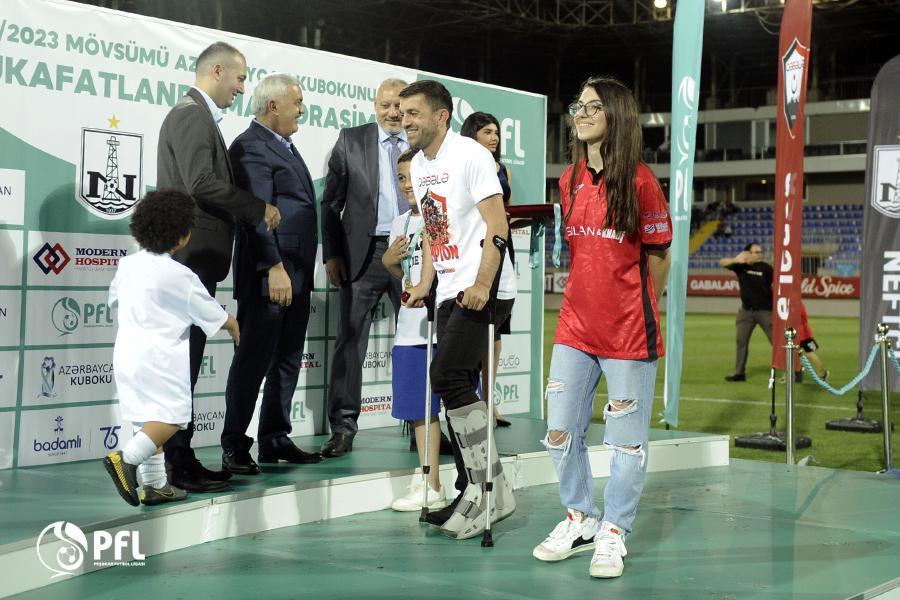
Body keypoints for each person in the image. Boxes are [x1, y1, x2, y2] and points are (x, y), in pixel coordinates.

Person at [530, 77, 671, 579]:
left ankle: (614, 530)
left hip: (629, 334)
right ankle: (580, 517)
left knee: (625, 443)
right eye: (579, 105)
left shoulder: (641, 182)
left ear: (617, 114)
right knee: (558, 432)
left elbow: (659, 257)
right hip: (574, 328)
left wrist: (636, 307)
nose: (582, 113)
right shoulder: (568, 179)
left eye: (593, 106)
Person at [156, 41, 281, 492]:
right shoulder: (192, 115)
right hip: (190, 255)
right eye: (240, 78)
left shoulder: (197, 116)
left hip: (196, 256)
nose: (241, 88)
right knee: (182, 362)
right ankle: (178, 462)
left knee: (186, 361)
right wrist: (255, 207)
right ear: (216, 71)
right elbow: (200, 182)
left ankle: (181, 457)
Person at [400, 80, 517, 540]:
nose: (405, 121)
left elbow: (497, 223)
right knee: (455, 386)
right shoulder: (421, 164)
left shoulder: (471, 155)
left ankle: (491, 488)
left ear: (441, 116)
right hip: (449, 288)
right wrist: (425, 283)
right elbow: (434, 228)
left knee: (446, 375)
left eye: (413, 113)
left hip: (483, 286)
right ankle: (474, 488)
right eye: (402, 114)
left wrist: (483, 283)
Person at [103, 190, 241, 507]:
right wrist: (233, 324)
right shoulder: (181, 275)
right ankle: (125, 458)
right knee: (172, 417)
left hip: (127, 354)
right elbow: (211, 313)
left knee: (147, 418)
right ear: (183, 236)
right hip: (161, 359)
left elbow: (114, 301)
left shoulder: (127, 265)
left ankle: (156, 486)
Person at [220, 73, 322, 475]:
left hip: (296, 273)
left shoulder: (282, 145)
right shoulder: (250, 147)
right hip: (270, 274)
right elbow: (256, 214)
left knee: (287, 359)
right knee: (253, 360)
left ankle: (275, 437)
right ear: (274, 105)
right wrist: (273, 267)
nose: (303, 109)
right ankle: (234, 444)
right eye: (297, 102)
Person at [320, 78, 409, 457]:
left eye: (399, 106)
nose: (393, 112)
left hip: (412, 251)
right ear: (374, 106)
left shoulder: (421, 142)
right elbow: (330, 203)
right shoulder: (351, 140)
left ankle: (421, 423)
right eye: (386, 105)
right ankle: (342, 428)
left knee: (418, 341)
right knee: (350, 342)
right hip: (362, 255)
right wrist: (332, 254)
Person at [382, 148, 447, 511]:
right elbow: (405, 276)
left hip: (443, 326)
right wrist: (389, 263)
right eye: (401, 178)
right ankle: (429, 480)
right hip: (410, 328)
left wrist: (424, 285)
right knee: (421, 409)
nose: (407, 184)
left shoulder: (439, 213)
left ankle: (469, 480)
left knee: (459, 407)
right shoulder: (399, 223)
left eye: (413, 176)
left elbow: (441, 262)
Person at [460, 111, 514, 428]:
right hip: (474, 249)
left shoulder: (502, 169)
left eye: (496, 132)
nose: (494, 138)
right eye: (487, 132)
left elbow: (506, 211)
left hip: (502, 247)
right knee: (477, 332)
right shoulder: (465, 164)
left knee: (497, 334)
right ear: (473, 135)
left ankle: (490, 401)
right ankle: (471, 403)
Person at [719, 242, 774, 382]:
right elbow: (722, 262)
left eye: (760, 252)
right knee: (741, 342)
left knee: (776, 341)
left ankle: (793, 370)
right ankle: (739, 373)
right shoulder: (741, 266)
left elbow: (775, 285)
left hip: (765, 311)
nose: (759, 254)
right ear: (748, 253)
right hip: (746, 312)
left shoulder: (767, 268)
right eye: (756, 252)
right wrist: (736, 260)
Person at [796, 300, 829, 381]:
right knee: (808, 354)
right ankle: (823, 373)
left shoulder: (795, 304)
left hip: (800, 334)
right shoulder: (799, 303)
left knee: (798, 354)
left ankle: (797, 374)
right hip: (807, 334)